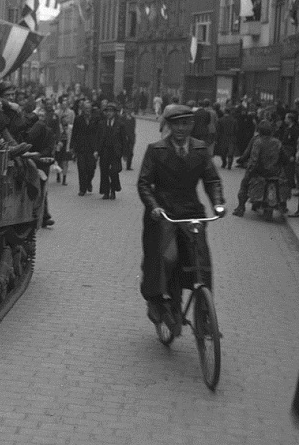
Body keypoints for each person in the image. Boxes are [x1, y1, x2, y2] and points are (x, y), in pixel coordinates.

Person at [137, 105, 225, 336]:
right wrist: (154, 206)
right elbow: (144, 183)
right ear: (169, 125)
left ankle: (205, 316)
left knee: (201, 260)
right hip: (163, 213)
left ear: (192, 126)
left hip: (191, 212)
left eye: (185, 124)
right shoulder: (155, 150)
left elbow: (212, 180)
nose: (181, 129)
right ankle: (159, 302)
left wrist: (218, 203)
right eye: (176, 124)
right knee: (167, 258)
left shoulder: (200, 149)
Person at [233, 121, 286, 217]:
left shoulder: (258, 141)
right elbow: (284, 157)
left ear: (259, 131)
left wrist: (248, 169)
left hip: (260, 172)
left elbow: (253, 158)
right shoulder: (277, 142)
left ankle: (240, 208)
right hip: (275, 172)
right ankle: (283, 205)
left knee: (244, 185)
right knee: (282, 186)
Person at [95, 103, 127, 200]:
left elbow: (124, 139)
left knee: (114, 171)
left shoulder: (120, 124)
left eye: (111, 111)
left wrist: (125, 153)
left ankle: (113, 190)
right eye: (107, 111)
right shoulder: (101, 124)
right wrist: (96, 150)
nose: (109, 113)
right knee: (104, 171)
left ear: (114, 113)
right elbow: (97, 138)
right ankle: (106, 191)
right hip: (104, 150)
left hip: (115, 151)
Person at [70, 100, 98, 196]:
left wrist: (97, 149)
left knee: (91, 168)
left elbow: (98, 134)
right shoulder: (78, 119)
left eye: (89, 108)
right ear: (82, 109)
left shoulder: (95, 119)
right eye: (86, 108)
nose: (87, 110)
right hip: (80, 147)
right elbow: (74, 133)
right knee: (81, 169)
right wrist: (72, 147)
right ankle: (82, 189)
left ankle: (88, 181)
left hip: (92, 148)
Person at [121, 106, 136, 170]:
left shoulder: (133, 118)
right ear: (125, 109)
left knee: (130, 152)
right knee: (120, 151)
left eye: (131, 109)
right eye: (128, 109)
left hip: (131, 137)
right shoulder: (122, 117)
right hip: (123, 137)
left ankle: (128, 166)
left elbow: (133, 128)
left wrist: (133, 137)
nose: (129, 111)